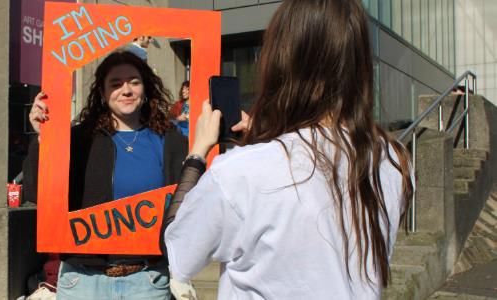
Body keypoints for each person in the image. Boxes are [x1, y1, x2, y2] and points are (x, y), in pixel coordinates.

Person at [162, 0, 414, 299]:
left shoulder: (240, 172)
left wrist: (198, 153)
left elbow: (179, 253)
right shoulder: (392, 160)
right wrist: (265, 139)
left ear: (280, 62)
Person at [24, 50, 187, 300]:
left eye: (134, 81)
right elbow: (37, 192)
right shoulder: (78, 140)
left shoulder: (171, 140)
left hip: (147, 280)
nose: (126, 90)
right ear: (102, 93)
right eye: (116, 83)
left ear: (146, 89)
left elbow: (193, 198)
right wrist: (43, 139)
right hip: (83, 281)